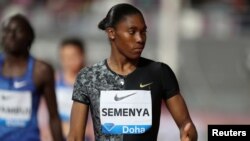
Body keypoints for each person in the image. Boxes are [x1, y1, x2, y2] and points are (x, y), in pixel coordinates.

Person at [67, 3, 198, 141]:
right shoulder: (89, 77)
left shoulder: (160, 73)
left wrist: (189, 136)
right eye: (132, 32)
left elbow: (186, 126)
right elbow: (75, 137)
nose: (140, 39)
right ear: (112, 33)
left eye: (143, 32)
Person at [0, 14, 64, 141]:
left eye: (17, 31)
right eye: (7, 31)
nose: (11, 36)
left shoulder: (41, 70)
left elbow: (54, 117)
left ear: (29, 37)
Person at [56, 38, 94, 140]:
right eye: (65, 57)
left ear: (82, 55)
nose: (69, 61)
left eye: (73, 56)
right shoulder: (54, 81)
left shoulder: (92, 83)